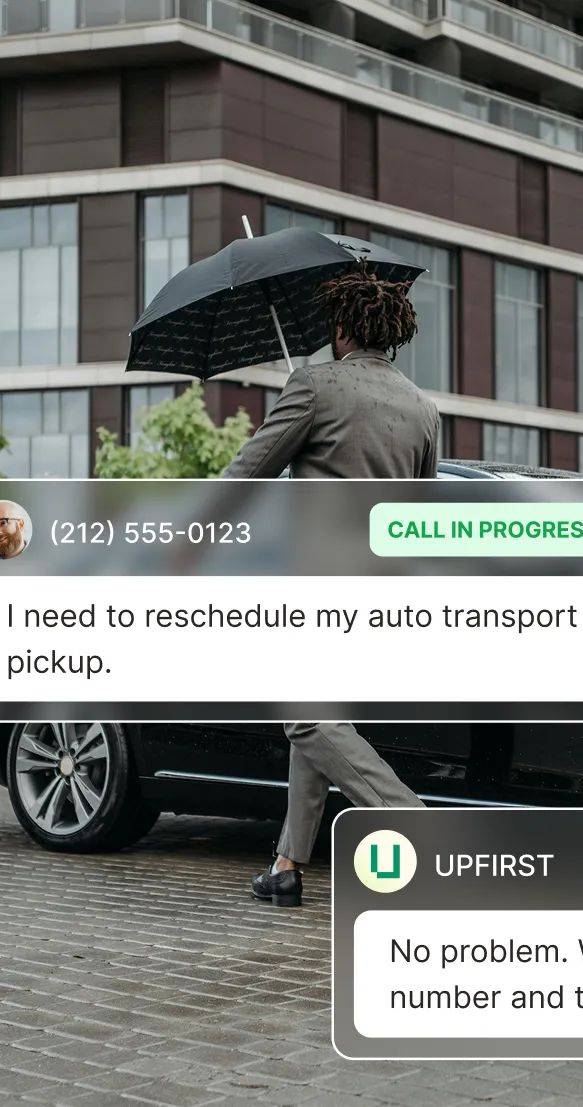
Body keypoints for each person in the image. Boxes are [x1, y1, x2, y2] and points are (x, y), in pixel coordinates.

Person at [220, 266, 439, 907]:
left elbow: (246, 474)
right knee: (323, 714)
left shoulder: (313, 384)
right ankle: (287, 864)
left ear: (342, 327)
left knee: (306, 718)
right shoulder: (424, 408)